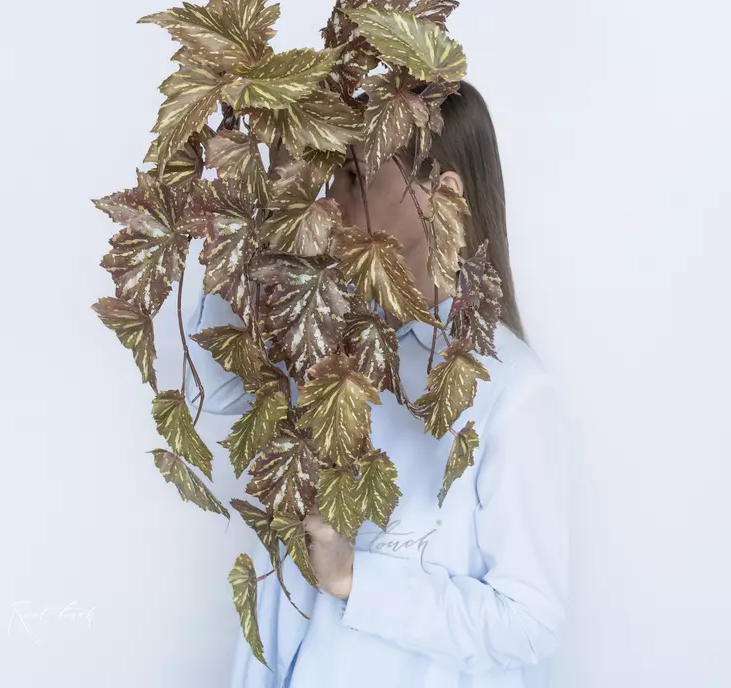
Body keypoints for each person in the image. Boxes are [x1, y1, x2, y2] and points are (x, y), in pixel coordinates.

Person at [181, 80, 571, 688]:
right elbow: (217, 387)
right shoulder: (336, 333)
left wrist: (352, 577)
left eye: (355, 177)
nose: (332, 197)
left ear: (442, 194)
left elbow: (526, 623)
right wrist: (252, 214)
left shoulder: (512, 394)